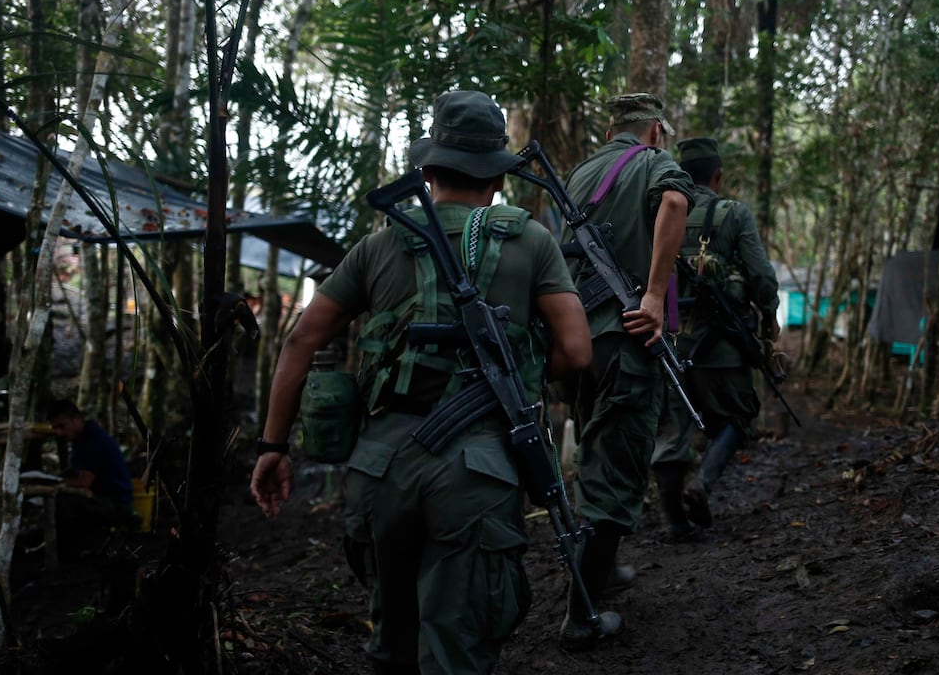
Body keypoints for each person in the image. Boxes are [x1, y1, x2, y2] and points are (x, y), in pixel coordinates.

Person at [249, 90, 592, 675]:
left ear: (428, 169)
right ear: (499, 175)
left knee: (392, 640)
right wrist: (518, 371)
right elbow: (577, 351)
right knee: (455, 650)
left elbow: (301, 340)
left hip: (381, 467)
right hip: (478, 470)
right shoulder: (530, 240)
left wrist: (274, 447)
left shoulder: (380, 244)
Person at [557, 92, 695, 650]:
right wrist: (657, 294)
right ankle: (580, 617)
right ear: (656, 131)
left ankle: (603, 569)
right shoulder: (654, 163)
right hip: (626, 336)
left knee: (594, 452)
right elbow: (676, 205)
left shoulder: (578, 172)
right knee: (615, 467)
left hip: (574, 342)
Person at [650, 137, 780, 537]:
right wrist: (769, 316)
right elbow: (759, 273)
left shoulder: (658, 211)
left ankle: (675, 522)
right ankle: (701, 484)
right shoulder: (731, 214)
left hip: (667, 339)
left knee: (674, 429)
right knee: (738, 416)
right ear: (717, 175)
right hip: (721, 342)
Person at [45, 398, 135, 553]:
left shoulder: (92, 440)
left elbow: (84, 481)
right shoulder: (82, 437)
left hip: (116, 503)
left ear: (77, 419)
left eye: (62, 426)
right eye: (55, 428)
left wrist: (54, 482)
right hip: (105, 497)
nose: (58, 432)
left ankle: (73, 550)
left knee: (62, 502)